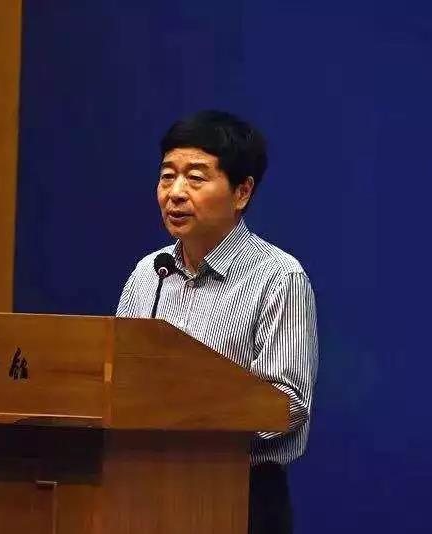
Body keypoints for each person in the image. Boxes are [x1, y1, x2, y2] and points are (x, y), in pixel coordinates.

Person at [115, 110, 319, 534]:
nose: (175, 193)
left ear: (242, 192)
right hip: (143, 488)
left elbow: (288, 403)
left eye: (195, 178)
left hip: (238, 493)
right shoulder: (148, 273)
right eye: (167, 176)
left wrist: (188, 420)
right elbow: (114, 375)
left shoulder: (278, 278)